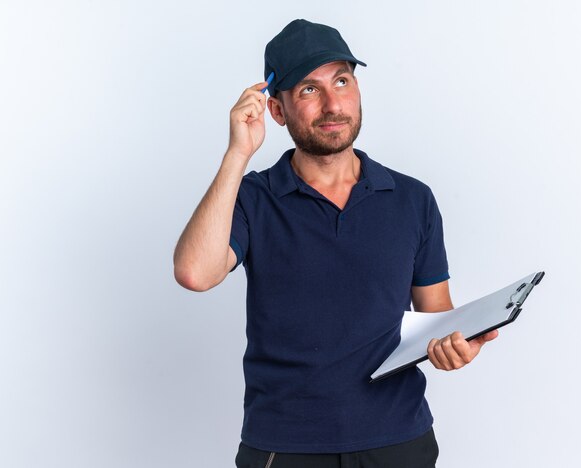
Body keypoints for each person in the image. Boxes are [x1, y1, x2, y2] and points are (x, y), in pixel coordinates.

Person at [174, 19, 498, 468]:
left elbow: (435, 316)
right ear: (277, 110)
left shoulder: (412, 199)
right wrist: (237, 154)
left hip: (400, 442)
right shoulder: (251, 197)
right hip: (284, 448)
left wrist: (457, 345)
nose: (332, 104)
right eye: (308, 90)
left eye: (341, 81)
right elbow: (195, 272)